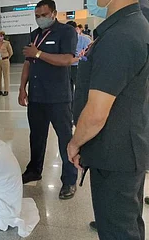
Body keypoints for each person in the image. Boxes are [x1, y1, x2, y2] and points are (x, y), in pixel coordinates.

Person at [68, 0, 149, 239]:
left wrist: (74, 143)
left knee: (117, 230)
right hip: (125, 147)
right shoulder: (133, 26)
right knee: (128, 222)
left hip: (114, 152)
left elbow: (96, 113)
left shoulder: (120, 36)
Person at [19, 0, 78, 199]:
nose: (40, 19)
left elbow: (67, 60)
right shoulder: (35, 34)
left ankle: (69, 180)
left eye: (43, 15)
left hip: (58, 98)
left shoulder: (66, 32)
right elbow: (28, 62)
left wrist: (39, 53)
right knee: (36, 136)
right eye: (37, 15)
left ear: (53, 13)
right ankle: (34, 170)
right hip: (36, 96)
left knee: (65, 138)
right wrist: (22, 89)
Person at [66, 21, 91, 98]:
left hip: (78, 67)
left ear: (76, 29)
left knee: (79, 88)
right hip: (66, 67)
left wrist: (79, 58)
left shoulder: (84, 40)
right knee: (68, 90)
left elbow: (88, 57)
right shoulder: (65, 40)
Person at [0, 30, 13, 96]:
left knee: (6, 75)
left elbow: (11, 52)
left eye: (1, 36)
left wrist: (6, 58)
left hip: (5, 60)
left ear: (3, 36)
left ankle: (6, 90)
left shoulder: (7, 43)